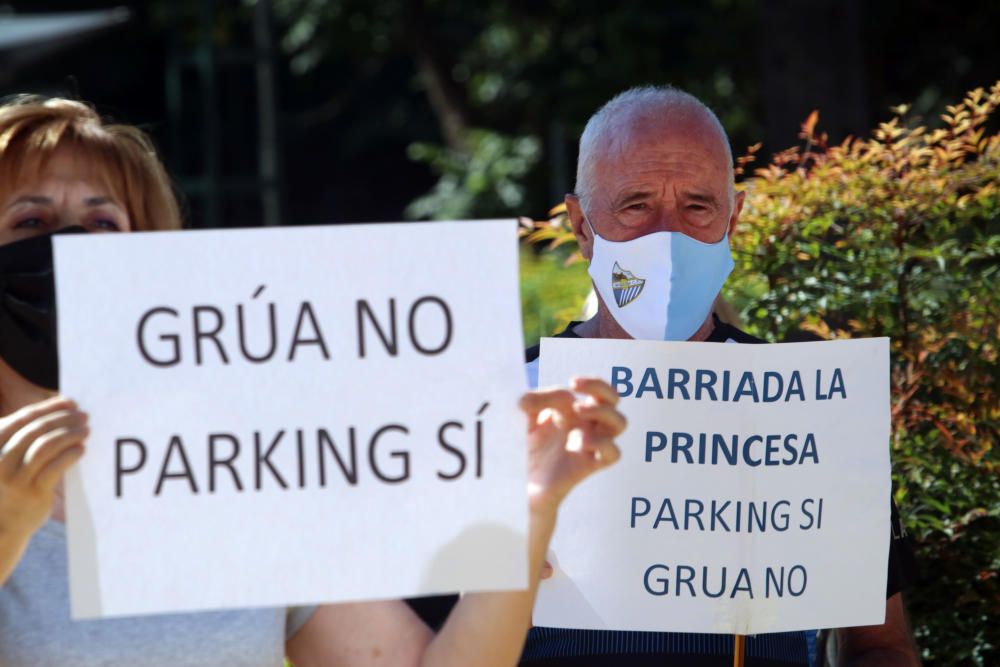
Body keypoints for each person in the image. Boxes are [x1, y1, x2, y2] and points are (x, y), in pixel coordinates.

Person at [0, 96, 627, 666]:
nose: (70, 248)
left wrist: (526, 513)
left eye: (103, 223)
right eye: (31, 222)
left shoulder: (235, 477)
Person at [519, 86, 922, 667]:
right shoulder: (503, 406)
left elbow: (880, 646)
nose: (670, 236)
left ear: (732, 219)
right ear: (582, 227)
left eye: (698, 207)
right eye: (635, 205)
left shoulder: (812, 413)